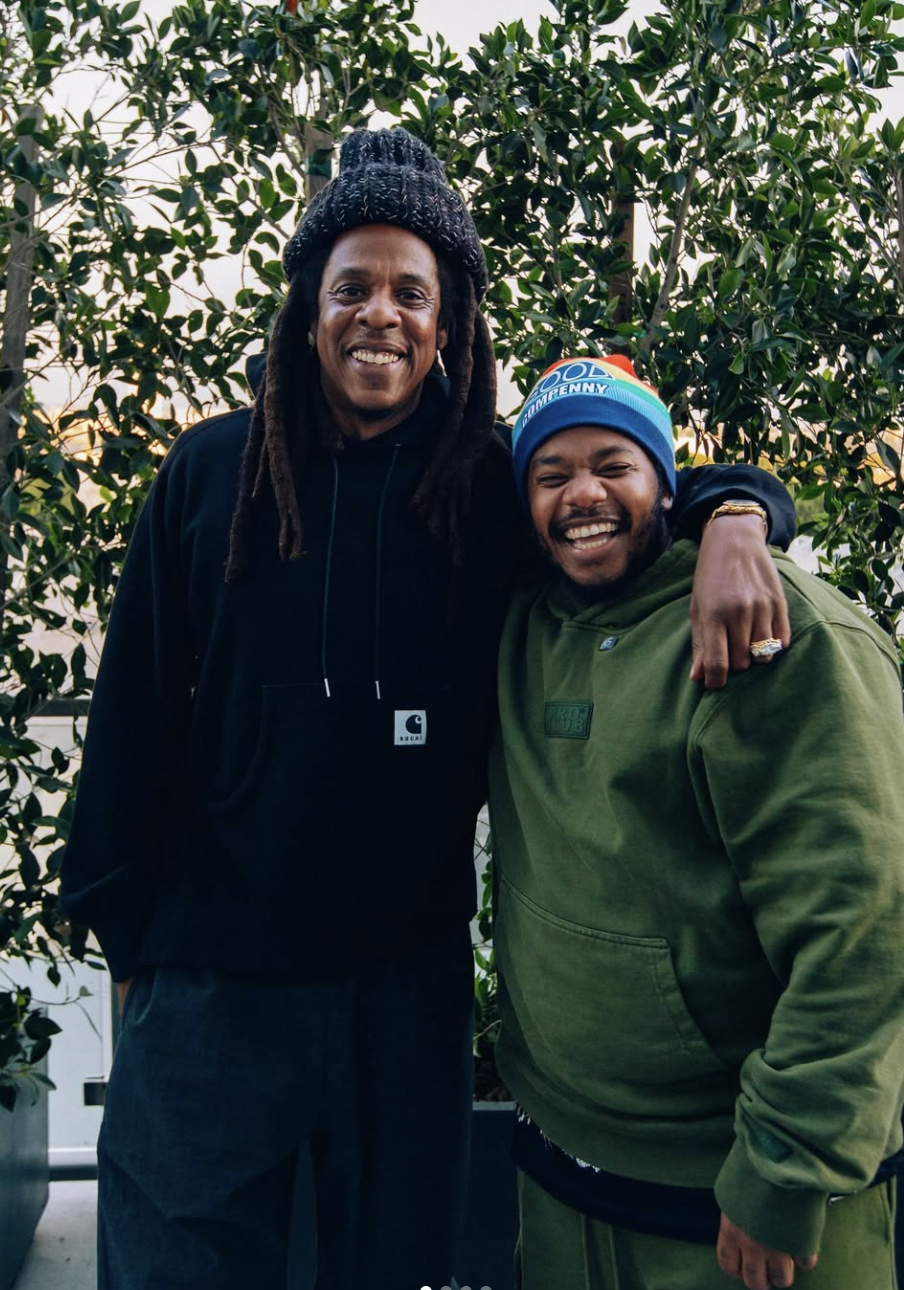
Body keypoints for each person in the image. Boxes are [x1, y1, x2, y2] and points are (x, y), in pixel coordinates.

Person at [61, 131, 796, 1290]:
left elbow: (621, 487)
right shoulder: (210, 479)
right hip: (210, 989)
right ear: (310, 307)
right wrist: (132, 945)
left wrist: (742, 516)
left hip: (400, 993)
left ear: (447, 319)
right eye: (351, 286)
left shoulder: (487, 488)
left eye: (412, 290)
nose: (379, 315)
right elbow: (131, 719)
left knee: (393, 1271)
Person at [488, 354, 904, 1290]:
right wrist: (742, 505)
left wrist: (784, 1171)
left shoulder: (771, 635)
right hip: (562, 1174)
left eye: (614, 466)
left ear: (667, 485)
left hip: (734, 1203)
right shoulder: (523, 619)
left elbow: (865, 935)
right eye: (551, 475)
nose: (581, 495)